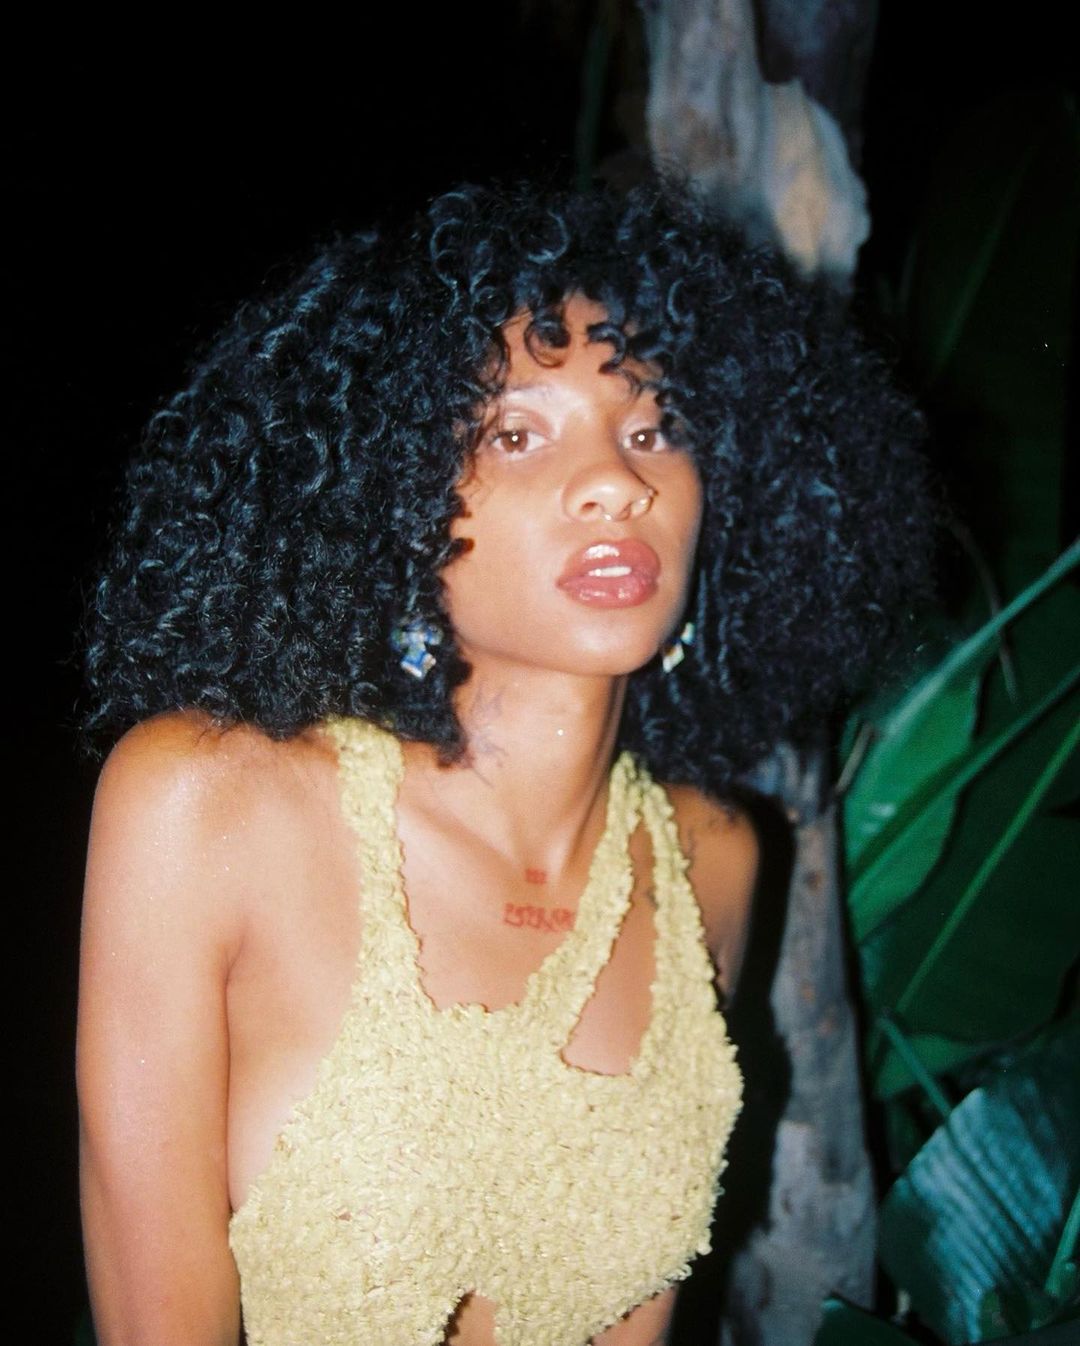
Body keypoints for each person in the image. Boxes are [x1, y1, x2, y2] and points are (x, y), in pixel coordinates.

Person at [76, 176, 933, 1346]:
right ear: (394, 492)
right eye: (514, 433)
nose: (617, 481)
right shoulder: (208, 803)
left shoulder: (711, 863)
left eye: (654, 428)